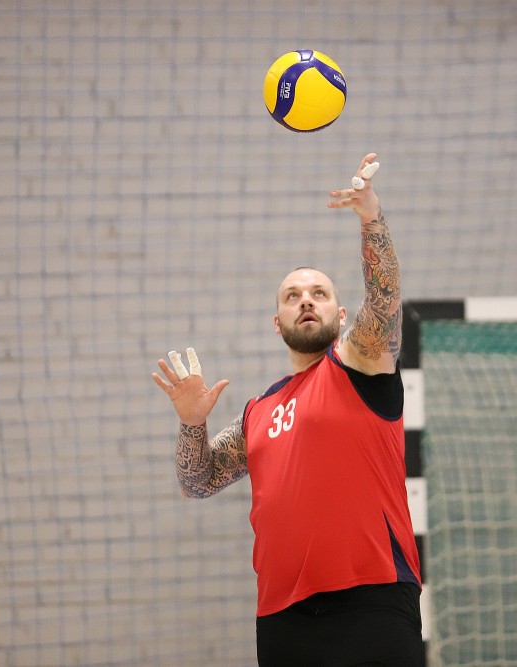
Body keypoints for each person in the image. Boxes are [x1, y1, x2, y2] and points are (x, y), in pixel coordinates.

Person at [152, 152, 424, 666]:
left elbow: (385, 299)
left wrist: (371, 217)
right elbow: (197, 482)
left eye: (319, 293)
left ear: (341, 315)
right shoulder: (258, 412)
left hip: (373, 602)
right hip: (282, 619)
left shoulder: (361, 363)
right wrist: (192, 423)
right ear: (277, 323)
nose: (306, 300)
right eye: (292, 295)